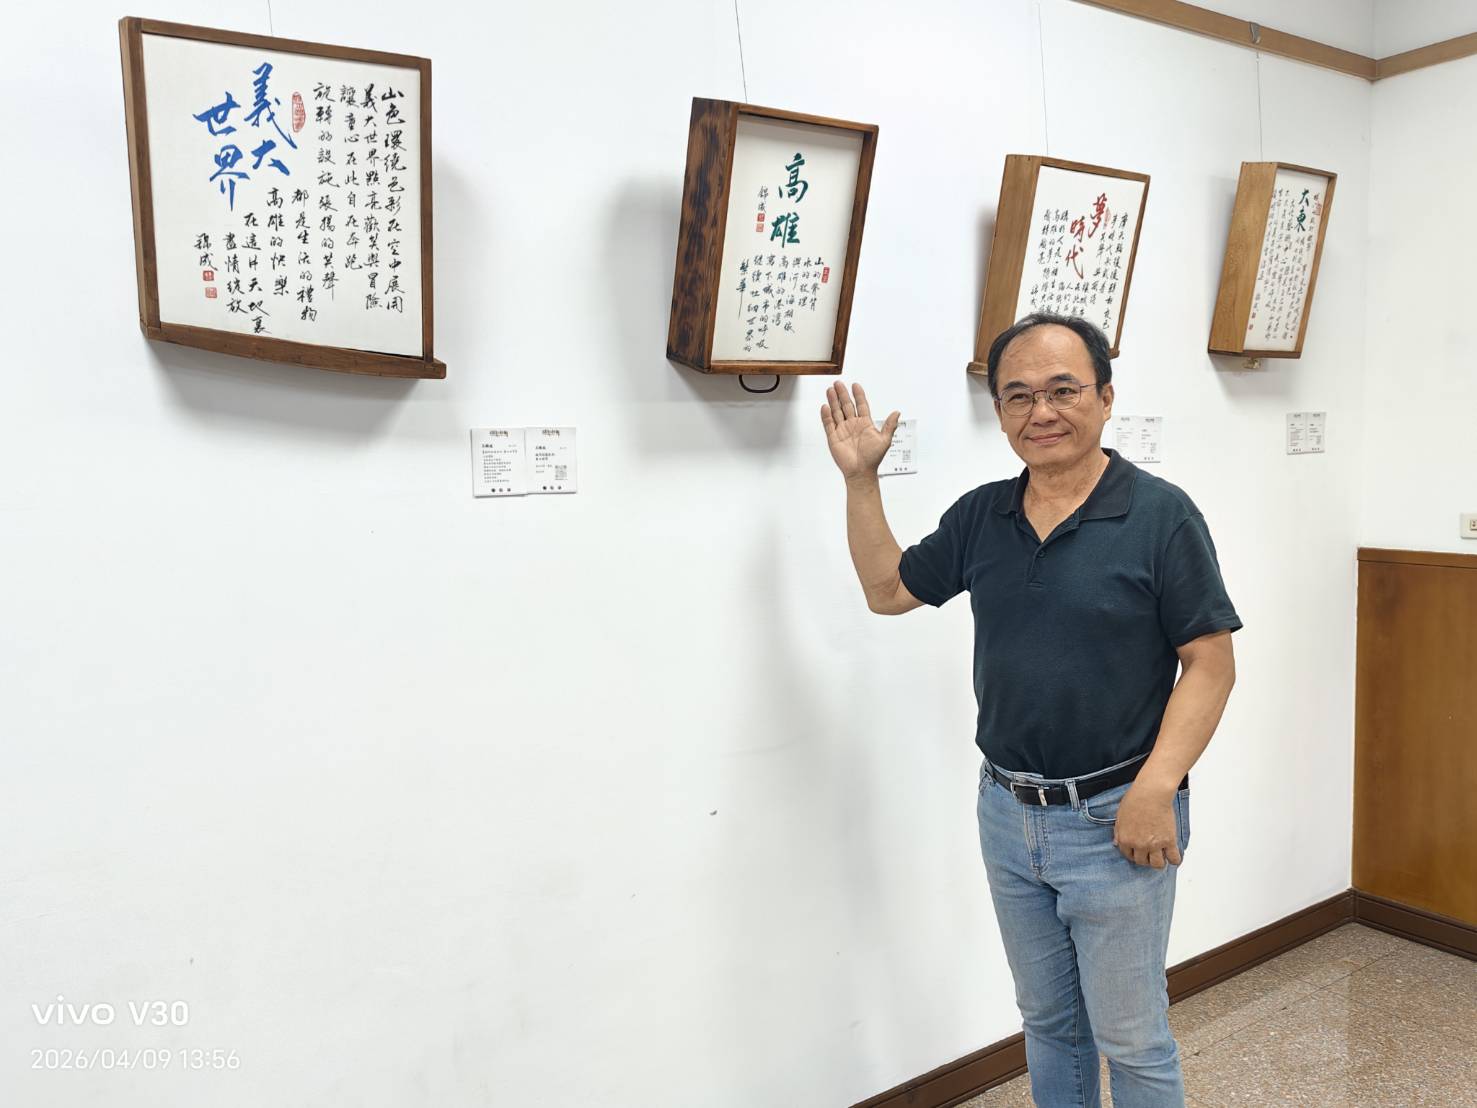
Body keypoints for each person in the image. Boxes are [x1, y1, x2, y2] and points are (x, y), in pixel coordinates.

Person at [819, 313, 1240, 1108]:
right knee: (1048, 1023)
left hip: (1116, 814)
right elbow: (887, 592)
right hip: (1007, 811)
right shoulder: (983, 514)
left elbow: (1210, 664)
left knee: (1131, 1038)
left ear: (1105, 397)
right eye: (1017, 396)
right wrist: (860, 481)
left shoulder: (1160, 515)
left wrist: (1156, 788)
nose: (1039, 411)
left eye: (1061, 390)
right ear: (1000, 412)